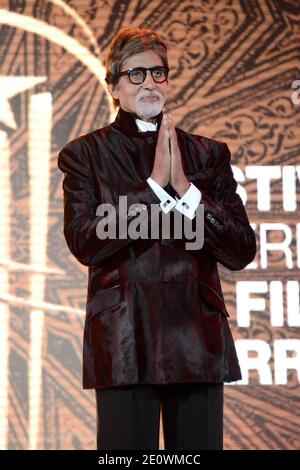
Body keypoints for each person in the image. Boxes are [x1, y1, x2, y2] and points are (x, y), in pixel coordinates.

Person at [57, 27, 256, 450]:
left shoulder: (207, 154)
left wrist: (185, 191)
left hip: (197, 340)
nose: (149, 82)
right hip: (124, 340)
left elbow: (241, 250)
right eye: (136, 74)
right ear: (113, 86)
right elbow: (84, 241)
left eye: (158, 72)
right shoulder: (85, 155)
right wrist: (152, 191)